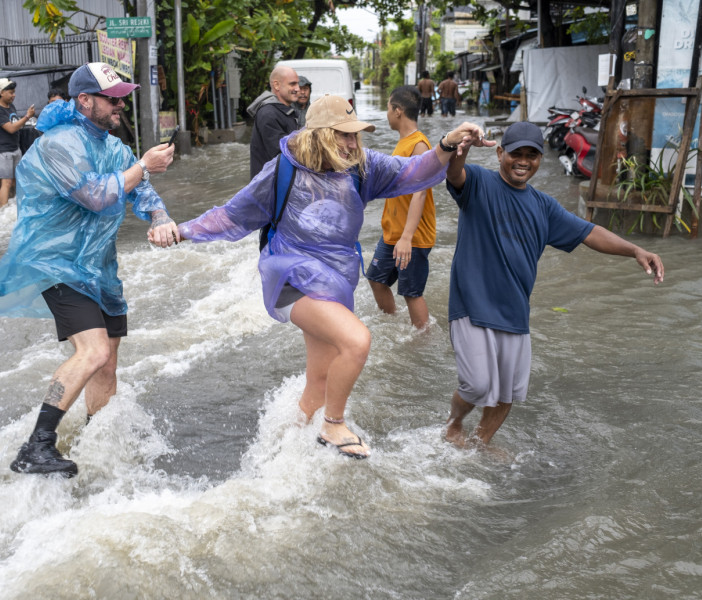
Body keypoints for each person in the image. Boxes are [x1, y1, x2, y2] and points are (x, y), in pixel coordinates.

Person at [177, 94, 481, 459]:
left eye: (356, 136)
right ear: (318, 134)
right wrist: (181, 231)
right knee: (356, 340)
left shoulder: (360, 168)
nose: (353, 143)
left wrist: (448, 143)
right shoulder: (281, 171)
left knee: (318, 385)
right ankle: (332, 425)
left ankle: (280, 455)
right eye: (344, 135)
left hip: (334, 283)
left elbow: (411, 171)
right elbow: (231, 215)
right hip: (290, 280)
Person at [0, 62, 180, 477]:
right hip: (57, 265)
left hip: (100, 269)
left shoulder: (114, 147)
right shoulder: (59, 143)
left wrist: (160, 217)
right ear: (85, 100)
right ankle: (35, 446)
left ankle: (97, 443)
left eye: (123, 97)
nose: (120, 105)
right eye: (113, 98)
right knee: (93, 351)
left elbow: (141, 192)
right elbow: (94, 195)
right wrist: (143, 165)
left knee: (107, 364)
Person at [442, 121, 665, 450]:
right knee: (477, 385)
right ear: (500, 153)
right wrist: (458, 148)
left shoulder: (543, 206)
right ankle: (454, 425)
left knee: (507, 393)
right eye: (516, 153)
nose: (524, 161)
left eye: (532, 155)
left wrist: (635, 250)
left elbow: (589, 233)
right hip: (472, 306)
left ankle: (479, 444)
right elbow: (454, 174)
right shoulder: (479, 183)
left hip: (515, 312)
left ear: (539, 160)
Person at [366, 86, 435, 330]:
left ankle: (423, 339)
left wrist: (406, 237)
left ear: (398, 111)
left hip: (411, 237)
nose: (386, 114)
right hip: (393, 233)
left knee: (411, 292)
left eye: (387, 108)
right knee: (375, 278)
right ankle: (393, 325)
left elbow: (420, 194)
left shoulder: (419, 146)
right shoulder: (403, 143)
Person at [0, 78, 35, 208]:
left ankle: (16, 205)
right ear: (2, 92)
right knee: (6, 182)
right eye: (11, 92)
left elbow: (15, 123)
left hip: (15, 148)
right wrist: (27, 117)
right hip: (3, 151)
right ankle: (2, 210)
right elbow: (11, 128)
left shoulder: (10, 106)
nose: (14, 95)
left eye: (14, 92)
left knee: (19, 180)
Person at [246, 64, 299, 178]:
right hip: (269, 187)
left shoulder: (284, 111)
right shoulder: (268, 114)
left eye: (297, 83)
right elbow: (283, 153)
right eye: (292, 84)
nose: (297, 88)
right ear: (277, 85)